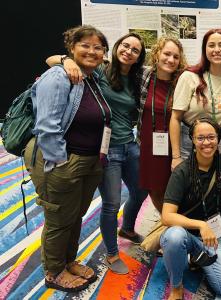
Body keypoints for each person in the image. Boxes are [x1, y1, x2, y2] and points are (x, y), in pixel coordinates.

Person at [47, 33, 150, 274]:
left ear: (139, 57)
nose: (128, 51)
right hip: (107, 149)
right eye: (125, 45)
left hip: (130, 145)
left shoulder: (136, 78)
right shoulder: (101, 70)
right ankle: (112, 254)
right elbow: (50, 60)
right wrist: (67, 60)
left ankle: (127, 228)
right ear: (116, 47)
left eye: (135, 50)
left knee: (141, 190)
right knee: (112, 203)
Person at [25, 25, 109, 291]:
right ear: (71, 48)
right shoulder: (59, 76)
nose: (92, 51)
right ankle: (54, 272)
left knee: (75, 216)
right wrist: (60, 163)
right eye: (85, 45)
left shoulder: (92, 78)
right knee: (59, 219)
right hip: (61, 162)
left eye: (98, 47)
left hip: (89, 160)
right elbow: (47, 126)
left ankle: (68, 260)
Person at [161, 118, 221, 300]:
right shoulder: (182, 171)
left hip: (212, 238)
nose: (207, 142)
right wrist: (201, 225)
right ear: (193, 141)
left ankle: (198, 258)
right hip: (185, 234)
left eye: (211, 137)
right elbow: (167, 216)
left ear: (218, 139)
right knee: (174, 237)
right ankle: (176, 285)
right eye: (201, 138)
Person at [170, 29, 221, 170]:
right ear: (205, 50)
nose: (217, 50)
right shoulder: (189, 77)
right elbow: (175, 118)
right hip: (193, 142)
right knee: (191, 188)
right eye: (211, 45)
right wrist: (176, 157)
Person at [137, 37, 187, 214]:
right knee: (154, 188)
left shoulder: (182, 81)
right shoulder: (143, 75)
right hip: (149, 144)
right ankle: (168, 223)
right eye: (167, 54)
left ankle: (175, 222)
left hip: (173, 143)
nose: (171, 60)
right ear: (157, 54)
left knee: (174, 187)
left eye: (176, 56)